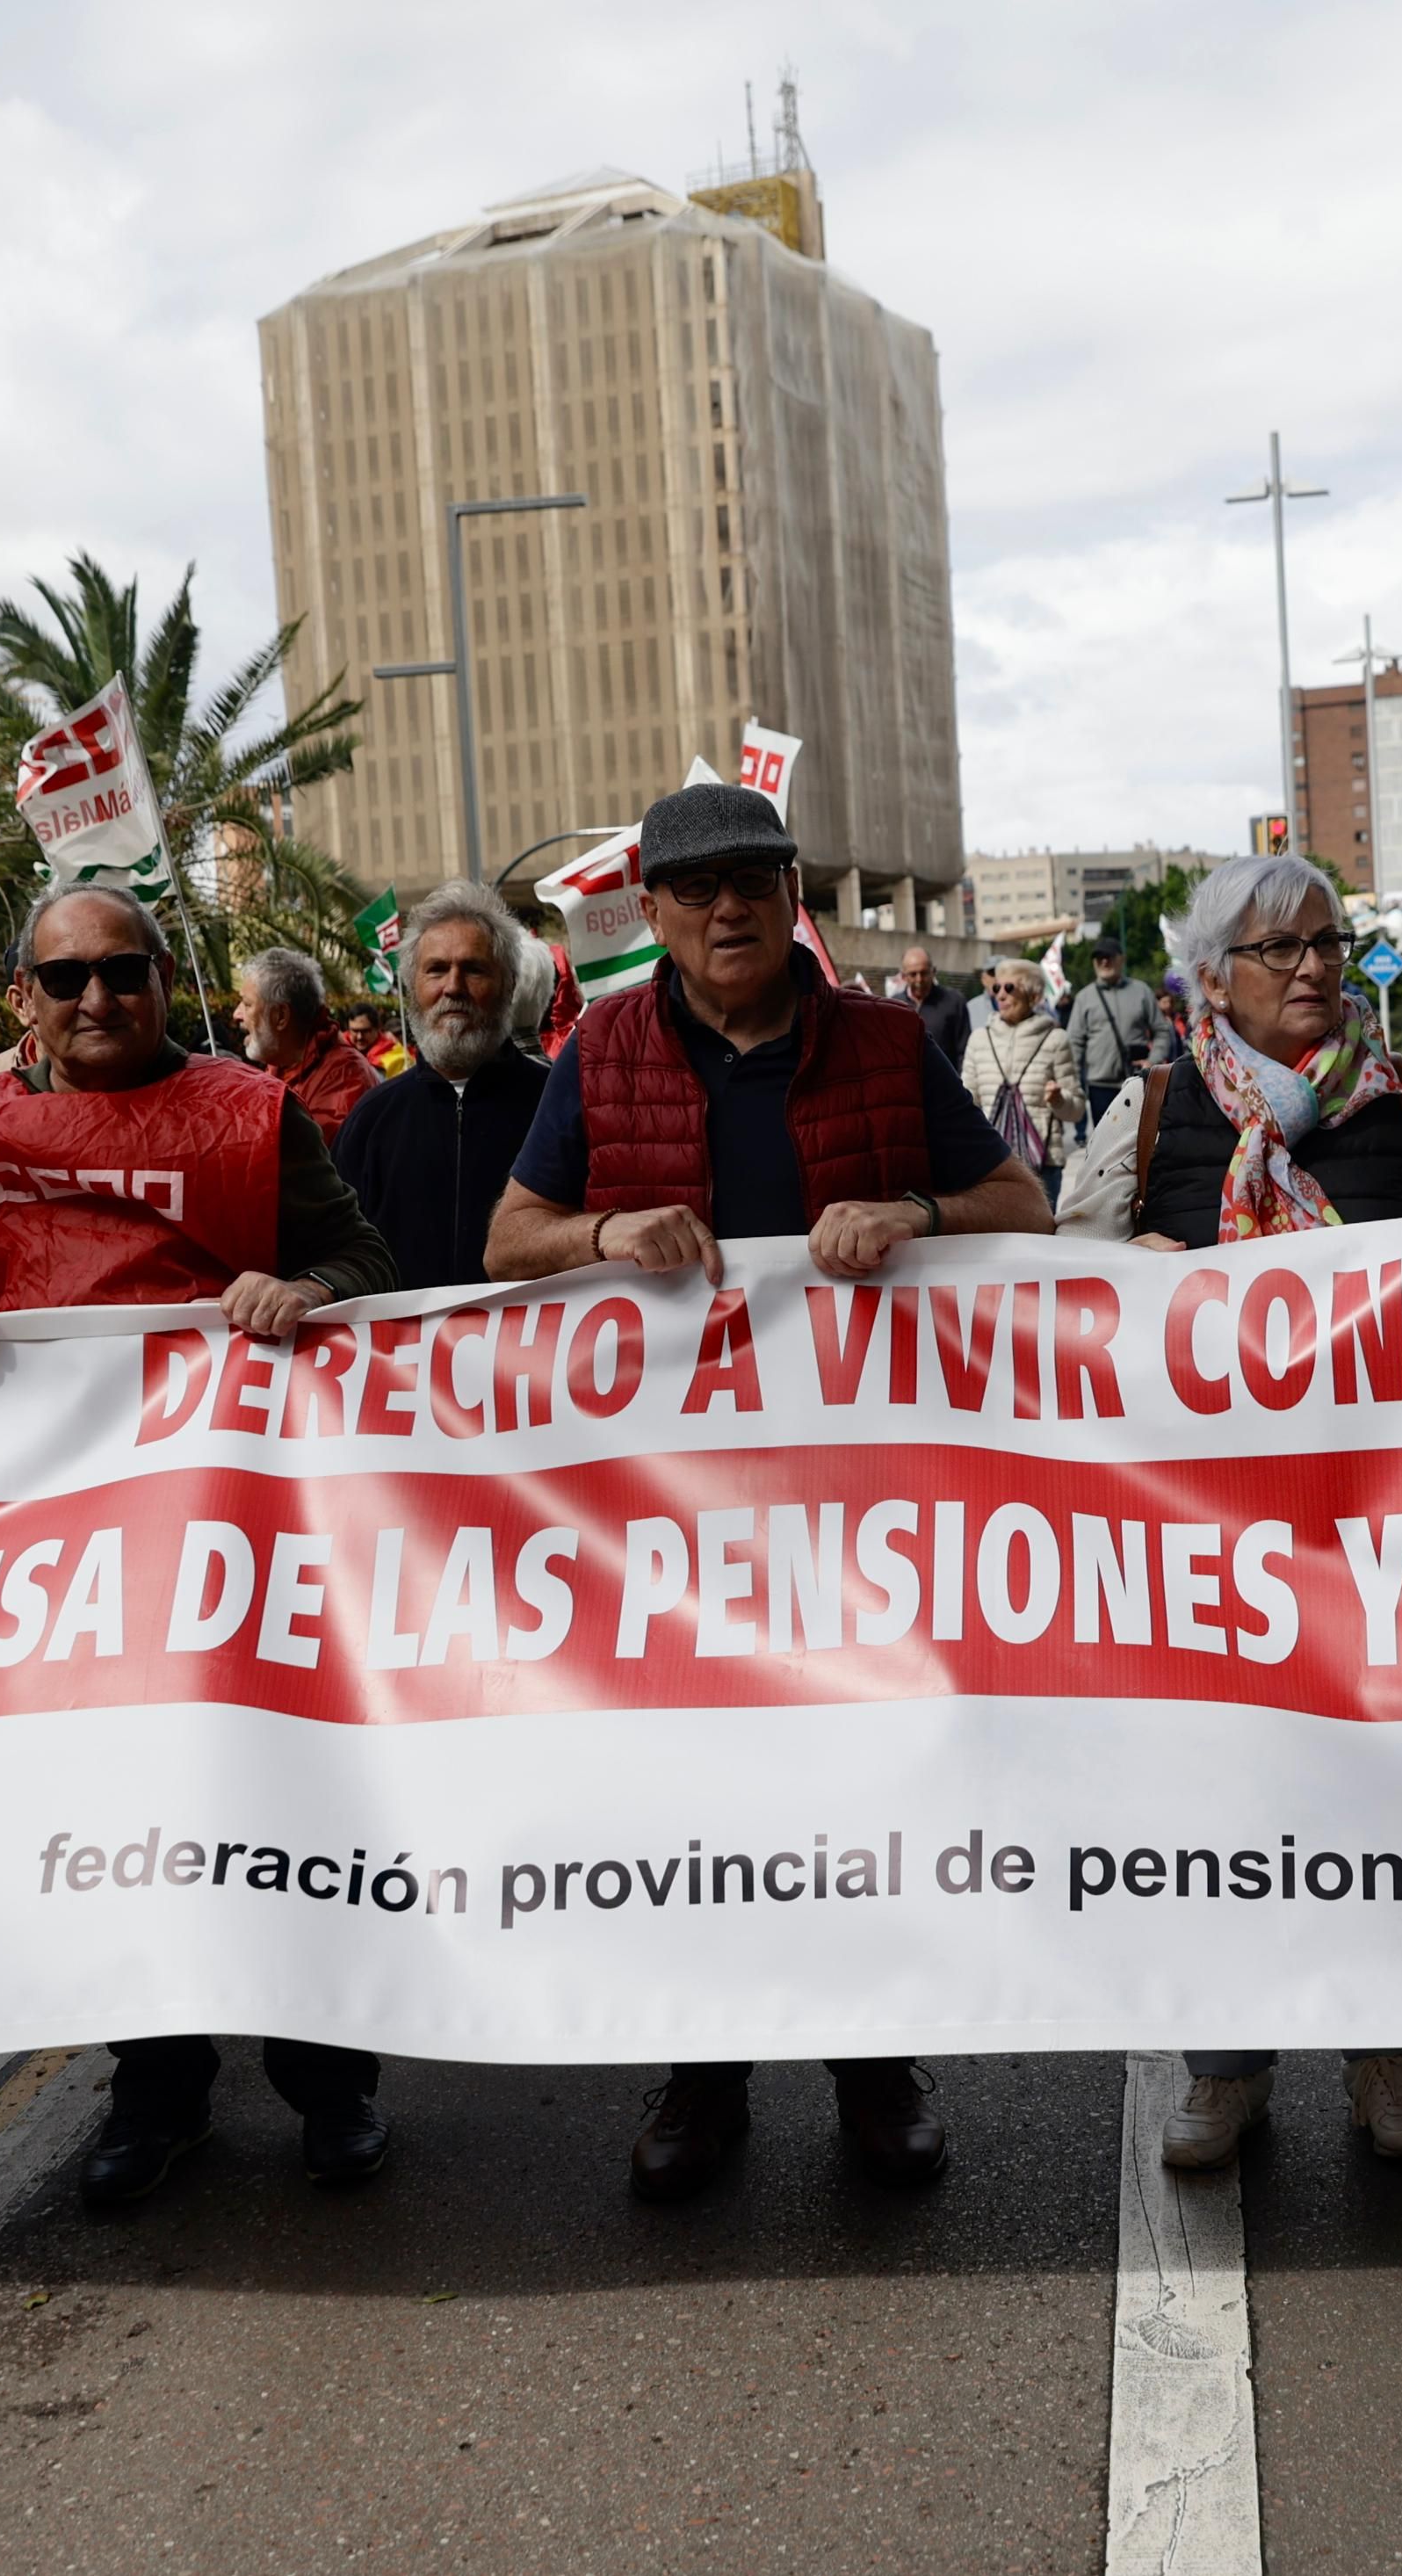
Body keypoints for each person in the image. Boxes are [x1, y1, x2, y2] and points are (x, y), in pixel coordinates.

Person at [482, 781, 1052, 2203]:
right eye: (694, 889)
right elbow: (510, 1237)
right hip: (672, 1506)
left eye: (750, 878)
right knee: (698, 1790)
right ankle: (704, 2071)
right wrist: (606, 1228)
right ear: (654, 916)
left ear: (788, 889)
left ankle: (878, 2068)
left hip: (861, 1496)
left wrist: (913, 1212)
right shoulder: (599, 1050)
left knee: (862, 1780)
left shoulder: (881, 1038)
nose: (725, 907)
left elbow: (1021, 1210)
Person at [0, 887, 403, 2206]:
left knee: (272, 1800)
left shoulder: (250, 1112)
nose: (97, 999)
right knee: (120, 1819)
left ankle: (328, 2079)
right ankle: (157, 2084)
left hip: (245, 1538)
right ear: (22, 1000)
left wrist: (313, 1289)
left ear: (167, 981)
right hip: (74, 1561)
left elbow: (365, 1253)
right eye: (66, 981)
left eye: (124, 972)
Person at [1053, 856, 1402, 2173]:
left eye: (1325, 943)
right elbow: (1055, 1267)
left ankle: (1387, 2051)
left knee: (1384, 1791)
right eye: (1277, 950)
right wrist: (1121, 1274)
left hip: (1378, 1521)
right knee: (1223, 1801)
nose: (1310, 968)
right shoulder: (1151, 1107)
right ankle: (1228, 2061)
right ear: (1215, 977)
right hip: (1210, 1532)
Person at [333, 880, 553, 1293]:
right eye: (436, 969)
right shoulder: (370, 1121)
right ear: (412, 988)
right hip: (400, 1357)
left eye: (474, 969)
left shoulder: (557, 1105)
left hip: (531, 1353)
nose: (453, 987)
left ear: (507, 987)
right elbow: (336, 1252)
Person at [235, 948, 380, 1139]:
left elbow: (302, 1156)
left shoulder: (346, 1077)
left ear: (281, 1016)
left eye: (247, 1004)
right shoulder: (283, 1062)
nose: (237, 1015)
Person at [960, 960, 1080, 1173]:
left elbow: (1076, 1110)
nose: (1000, 995)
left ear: (1033, 996)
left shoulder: (1055, 1040)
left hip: (1044, 1163)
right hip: (992, 1162)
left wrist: (1059, 1099)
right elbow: (967, 1104)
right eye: (996, 988)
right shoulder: (979, 1039)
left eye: (1009, 988)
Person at [1066, 937, 1167, 1113]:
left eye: (1110, 956)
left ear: (1122, 959)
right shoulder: (1084, 998)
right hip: (1100, 1085)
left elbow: (1162, 1031)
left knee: (1142, 1138)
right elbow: (1074, 1043)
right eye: (1099, 957)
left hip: (1138, 1081)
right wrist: (1072, 1082)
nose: (1105, 961)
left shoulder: (1141, 991)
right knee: (1104, 1140)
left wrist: (1153, 1061)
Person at [893, 946, 974, 1076]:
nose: (919, 980)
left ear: (933, 971)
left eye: (924, 973)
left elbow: (965, 1050)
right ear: (903, 976)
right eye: (913, 974)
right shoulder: (894, 1006)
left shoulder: (954, 1001)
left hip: (946, 1086)